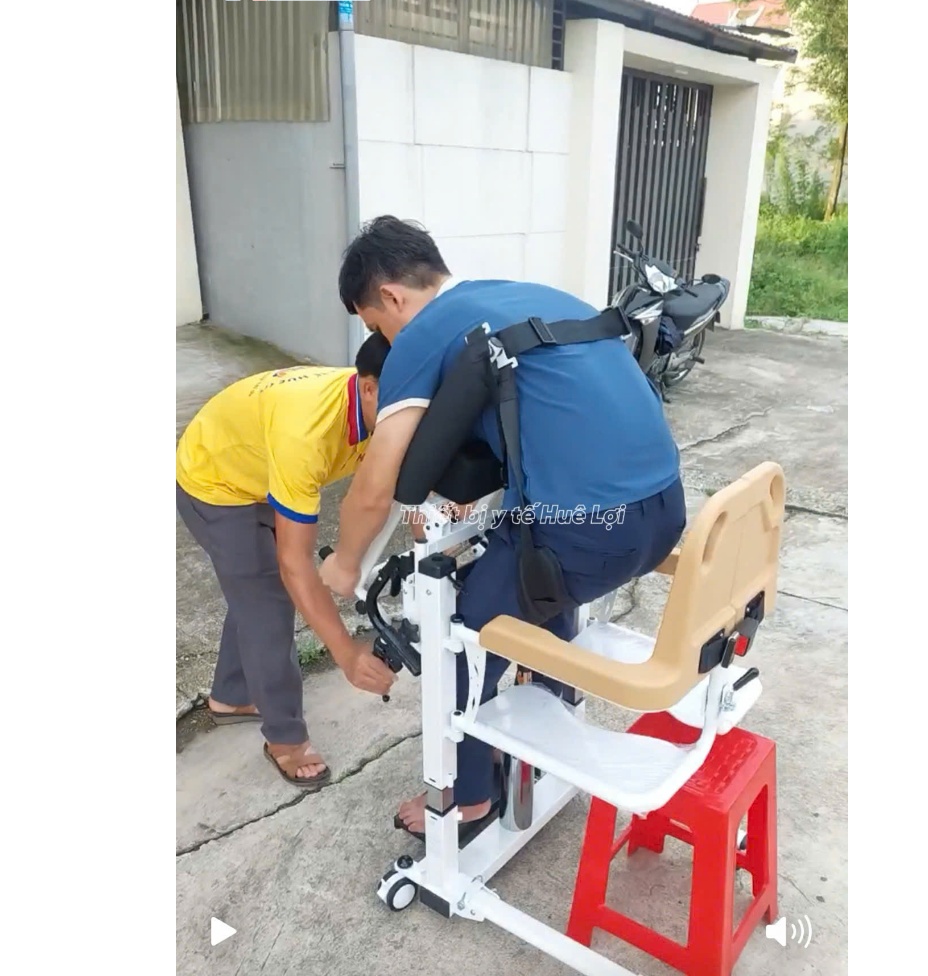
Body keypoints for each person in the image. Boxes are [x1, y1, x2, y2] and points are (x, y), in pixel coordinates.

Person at [320, 215, 686, 838]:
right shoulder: (530, 295)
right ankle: (545, 731)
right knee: (532, 586)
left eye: (377, 326)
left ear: (390, 297)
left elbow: (376, 486)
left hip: (590, 537)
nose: (385, 341)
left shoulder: (422, 334)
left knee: (461, 632)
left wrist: (346, 564)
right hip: (664, 515)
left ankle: (468, 798)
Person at [176, 333, 397, 789]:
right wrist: (345, 653)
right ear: (369, 388)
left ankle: (232, 696)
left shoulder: (385, 406)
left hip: (258, 465)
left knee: (253, 592)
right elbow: (295, 565)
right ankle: (286, 738)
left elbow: (401, 487)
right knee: (269, 602)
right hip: (216, 481)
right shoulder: (308, 433)